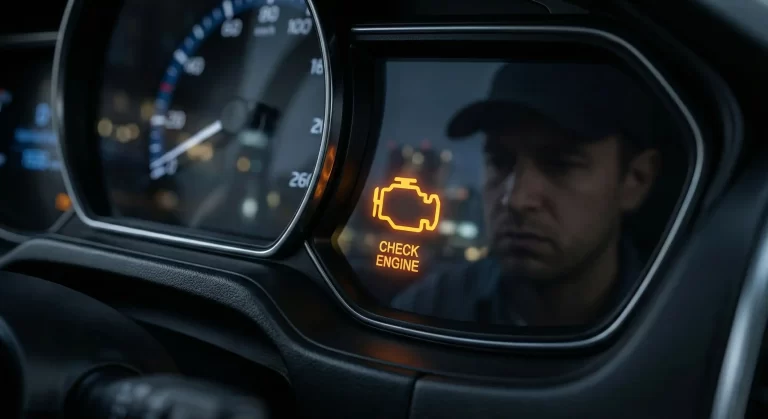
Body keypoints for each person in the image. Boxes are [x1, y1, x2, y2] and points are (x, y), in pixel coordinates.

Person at [391, 63, 664, 326]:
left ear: (635, 181)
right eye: (499, 162)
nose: (516, 200)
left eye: (561, 164)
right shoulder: (430, 309)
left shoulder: (678, 326)